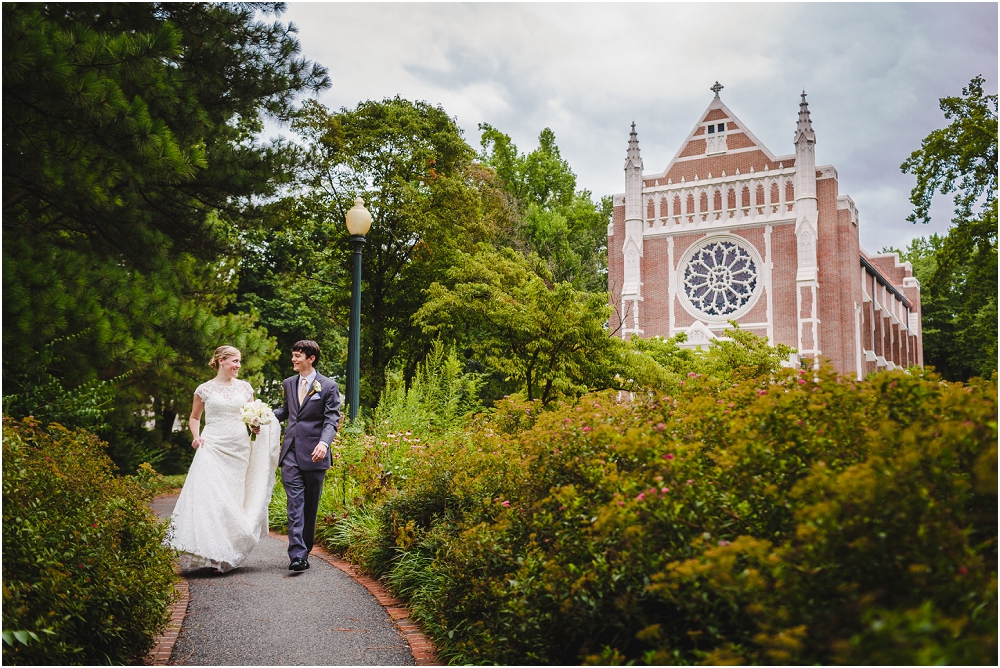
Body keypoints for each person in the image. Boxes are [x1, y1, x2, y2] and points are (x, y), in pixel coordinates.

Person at [169, 345, 280, 572]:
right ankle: (208, 552)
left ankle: (226, 550)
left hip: (239, 450)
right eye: (235, 361)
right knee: (210, 496)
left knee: (231, 498)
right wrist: (196, 437)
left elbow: (251, 417)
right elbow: (194, 417)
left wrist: (256, 426)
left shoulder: (245, 388)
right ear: (221, 360)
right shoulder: (204, 389)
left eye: (240, 361)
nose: (238, 365)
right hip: (212, 446)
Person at [270, 340, 341, 572]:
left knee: (310, 506)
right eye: (293, 354)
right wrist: (262, 416)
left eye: (298, 355)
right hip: (290, 452)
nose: (293, 359)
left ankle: (305, 547)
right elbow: (286, 411)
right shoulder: (289, 383)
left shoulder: (328, 386)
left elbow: (331, 419)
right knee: (295, 503)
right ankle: (298, 555)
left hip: (315, 454)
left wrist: (324, 443)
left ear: (311, 358)